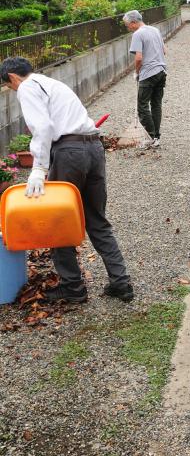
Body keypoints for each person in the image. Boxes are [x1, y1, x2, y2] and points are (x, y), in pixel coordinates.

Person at [0, 57, 133, 304]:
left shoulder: (27, 87)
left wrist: (39, 168)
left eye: (9, 86)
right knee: (97, 220)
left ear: (13, 78)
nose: (13, 90)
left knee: (57, 221)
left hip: (70, 153)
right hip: (94, 148)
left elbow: (43, 127)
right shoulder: (53, 84)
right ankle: (121, 283)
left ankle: (73, 288)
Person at [123, 10, 167, 149]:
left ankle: (151, 137)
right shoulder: (155, 30)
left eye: (128, 25)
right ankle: (156, 137)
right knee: (156, 104)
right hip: (161, 71)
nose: (128, 28)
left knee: (142, 106)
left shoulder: (138, 34)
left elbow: (139, 58)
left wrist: (137, 73)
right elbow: (164, 50)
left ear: (134, 22)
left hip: (148, 74)